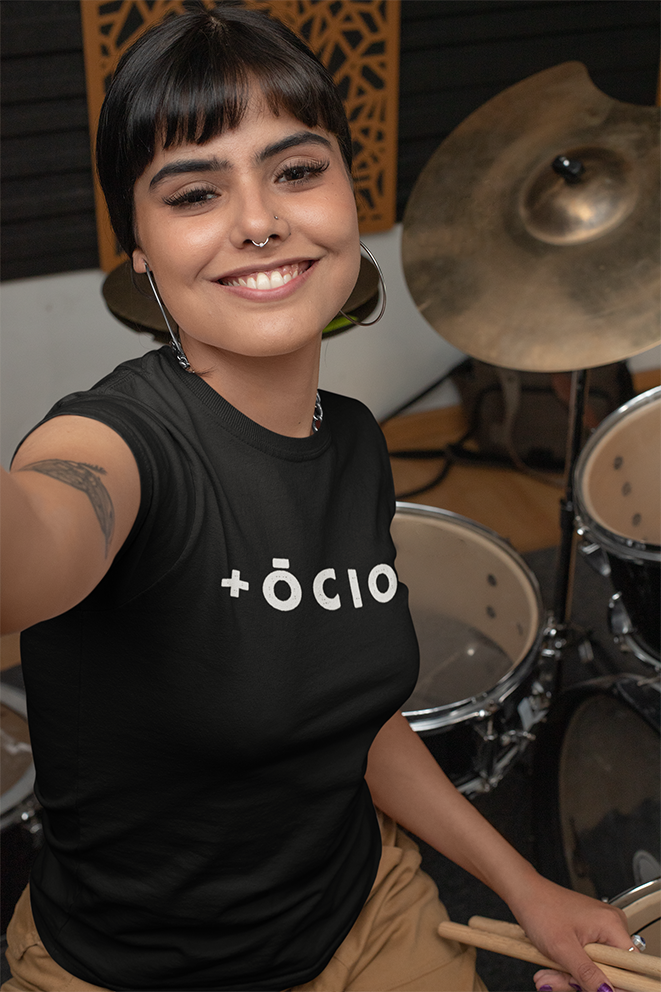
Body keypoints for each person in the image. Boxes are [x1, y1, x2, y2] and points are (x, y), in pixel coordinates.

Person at [0, 4, 636, 991]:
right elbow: (36, 544)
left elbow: (351, 721)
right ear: (139, 249)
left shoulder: (348, 440)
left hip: (365, 911)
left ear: (347, 193)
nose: (259, 220)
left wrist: (524, 885)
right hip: (128, 972)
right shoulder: (114, 445)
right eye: (194, 192)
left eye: (296, 171)